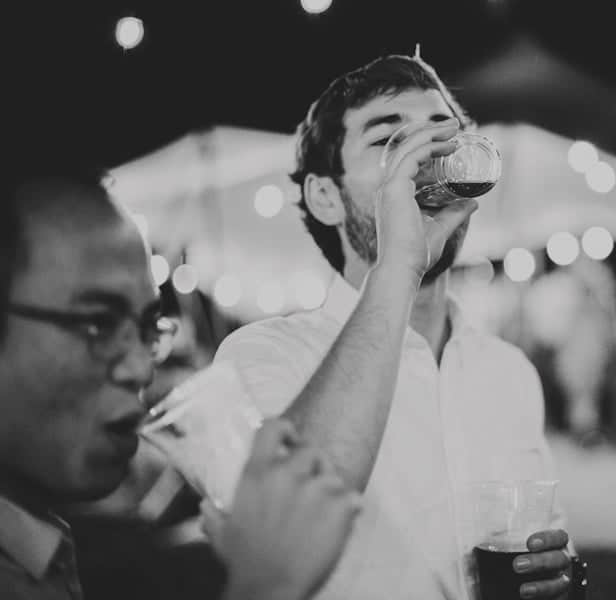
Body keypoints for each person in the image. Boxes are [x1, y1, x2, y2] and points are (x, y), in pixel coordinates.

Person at [212, 54, 575, 599]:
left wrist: (562, 578)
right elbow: (283, 534)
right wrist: (399, 265)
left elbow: (545, 546)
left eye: (440, 135)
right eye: (389, 143)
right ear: (325, 197)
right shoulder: (261, 359)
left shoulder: (509, 371)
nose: (425, 159)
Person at [0, 169, 359, 600]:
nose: (141, 368)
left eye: (149, 327)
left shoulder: (41, 548)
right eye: (97, 323)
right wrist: (268, 588)